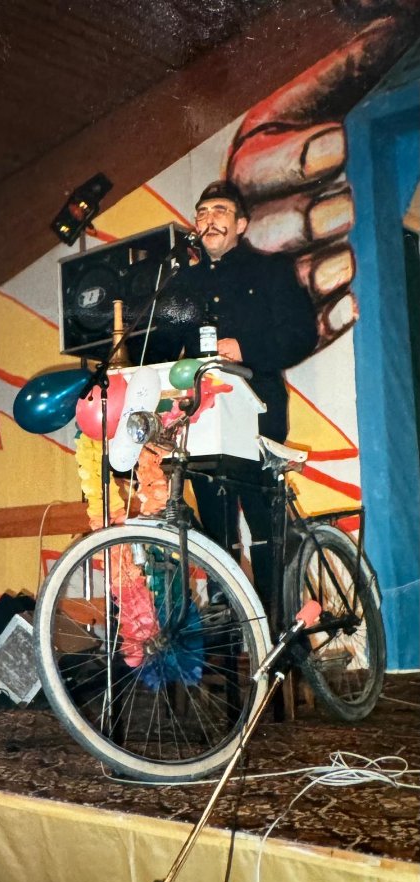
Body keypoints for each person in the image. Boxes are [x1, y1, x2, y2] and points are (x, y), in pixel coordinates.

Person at [164, 180, 318, 626]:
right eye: (202, 212)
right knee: (216, 533)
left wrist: (244, 347)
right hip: (202, 421)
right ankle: (233, 640)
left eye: (220, 211)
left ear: (242, 224)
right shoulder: (183, 284)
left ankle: (283, 640)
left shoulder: (270, 271)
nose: (209, 219)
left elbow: (301, 334)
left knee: (266, 532)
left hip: (257, 416)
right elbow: (159, 347)